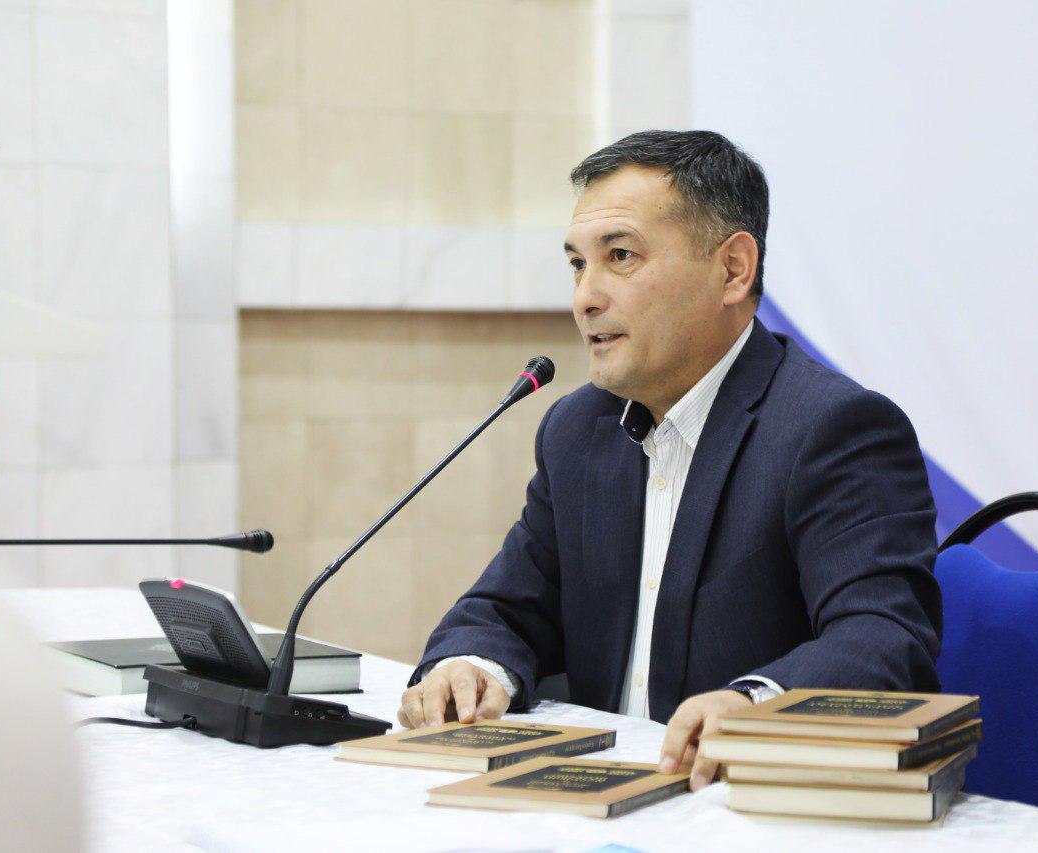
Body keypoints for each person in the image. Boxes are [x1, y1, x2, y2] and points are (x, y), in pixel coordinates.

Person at [397, 130, 942, 791]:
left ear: (733, 270)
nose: (585, 297)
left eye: (620, 256)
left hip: (742, 805)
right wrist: (470, 665)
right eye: (577, 265)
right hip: (596, 801)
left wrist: (752, 704)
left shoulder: (831, 428)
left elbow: (884, 638)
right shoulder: (579, 430)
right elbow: (508, 607)